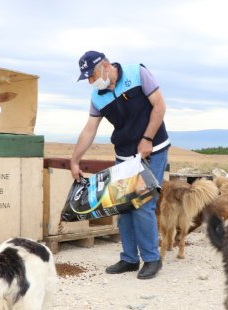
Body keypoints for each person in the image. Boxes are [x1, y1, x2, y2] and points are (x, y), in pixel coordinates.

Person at [70, 51, 170, 280]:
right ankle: (129, 259)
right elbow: (89, 130)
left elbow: (159, 107)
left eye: (92, 75)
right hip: (125, 154)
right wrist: (74, 160)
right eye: (86, 78)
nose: (91, 81)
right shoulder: (97, 97)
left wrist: (147, 139)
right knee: (122, 206)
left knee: (142, 203)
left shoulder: (137, 73)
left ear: (106, 65)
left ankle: (152, 259)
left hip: (152, 149)